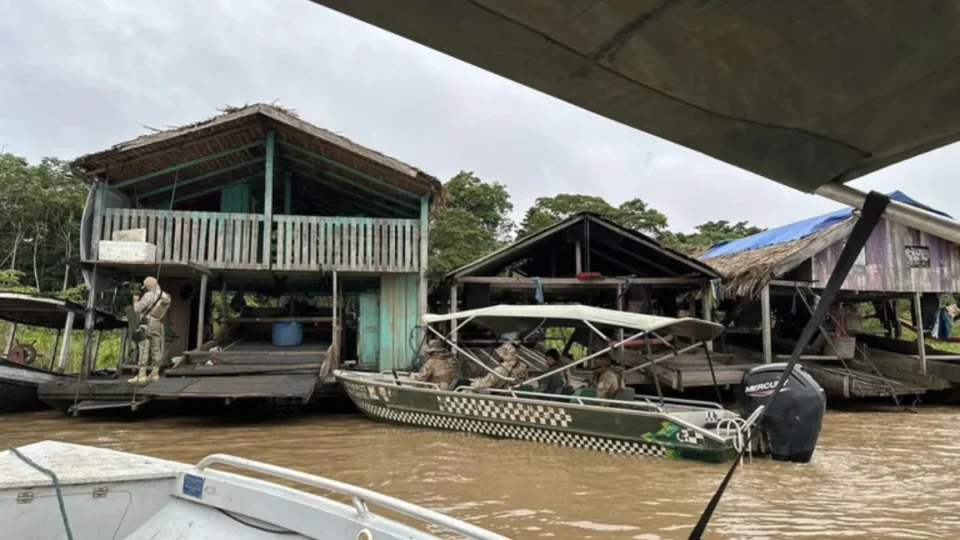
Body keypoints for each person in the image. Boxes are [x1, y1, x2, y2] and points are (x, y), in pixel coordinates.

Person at [129, 276, 172, 384]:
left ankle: (142, 374)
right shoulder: (166, 296)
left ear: (148, 286)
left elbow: (137, 309)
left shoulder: (149, 295)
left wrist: (135, 300)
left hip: (146, 323)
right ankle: (155, 373)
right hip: (157, 322)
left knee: (143, 347)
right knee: (156, 348)